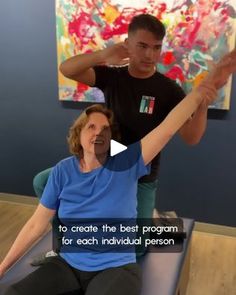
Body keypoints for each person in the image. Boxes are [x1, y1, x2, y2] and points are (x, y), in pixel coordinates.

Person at [1, 51, 236, 293]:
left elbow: (167, 128)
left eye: (105, 129)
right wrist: (3, 266)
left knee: (140, 245)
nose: (98, 133)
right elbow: (35, 225)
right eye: (91, 126)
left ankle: (155, 220)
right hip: (68, 264)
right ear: (78, 133)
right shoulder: (62, 171)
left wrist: (203, 90)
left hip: (114, 268)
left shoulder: (127, 161)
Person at [58, 13, 222, 224]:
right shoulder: (113, 77)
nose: (150, 55)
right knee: (44, 183)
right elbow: (67, 69)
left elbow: (191, 138)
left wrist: (202, 108)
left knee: (136, 246)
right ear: (127, 44)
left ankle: (151, 216)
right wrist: (103, 55)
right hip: (105, 169)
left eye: (156, 47)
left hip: (142, 178)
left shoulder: (169, 90)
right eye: (142, 46)